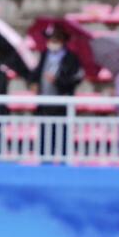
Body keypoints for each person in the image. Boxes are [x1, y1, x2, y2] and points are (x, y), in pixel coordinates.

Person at [29, 25, 81, 159]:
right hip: (44, 104)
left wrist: (57, 81)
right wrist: (34, 83)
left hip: (61, 105)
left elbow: (74, 80)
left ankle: (63, 163)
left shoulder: (71, 58)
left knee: (62, 138)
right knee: (44, 138)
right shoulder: (44, 54)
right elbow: (37, 73)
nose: (52, 42)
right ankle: (44, 162)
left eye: (56, 39)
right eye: (50, 39)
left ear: (63, 40)